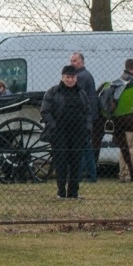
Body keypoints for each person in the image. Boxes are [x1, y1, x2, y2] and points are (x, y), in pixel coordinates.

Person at [40, 65, 94, 199]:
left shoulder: (82, 93)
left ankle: (73, 193)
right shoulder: (53, 92)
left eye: (73, 77)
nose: (70, 80)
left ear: (76, 78)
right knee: (61, 163)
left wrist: (87, 128)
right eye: (68, 77)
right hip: (60, 134)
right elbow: (45, 111)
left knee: (76, 163)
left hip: (78, 133)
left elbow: (88, 112)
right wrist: (53, 126)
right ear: (62, 77)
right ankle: (61, 192)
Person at [111, 59, 133, 182]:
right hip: (132, 122)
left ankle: (123, 174)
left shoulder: (120, 82)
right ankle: (130, 174)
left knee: (123, 149)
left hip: (120, 123)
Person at [70, 52, 99, 183]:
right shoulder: (87, 75)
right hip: (88, 116)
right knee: (86, 147)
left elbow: (77, 97)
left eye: (74, 61)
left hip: (82, 117)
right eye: (71, 60)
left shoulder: (81, 77)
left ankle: (79, 174)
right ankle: (91, 175)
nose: (72, 63)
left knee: (81, 147)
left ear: (81, 62)